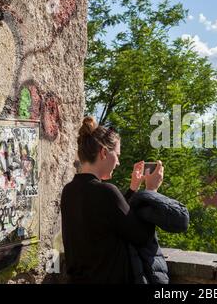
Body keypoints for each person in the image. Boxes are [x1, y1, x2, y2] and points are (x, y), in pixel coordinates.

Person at [61, 117, 188, 283]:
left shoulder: (69, 190)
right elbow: (141, 236)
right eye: (117, 155)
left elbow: (112, 219)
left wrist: (132, 189)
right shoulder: (107, 192)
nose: (118, 163)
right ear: (104, 153)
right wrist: (151, 191)